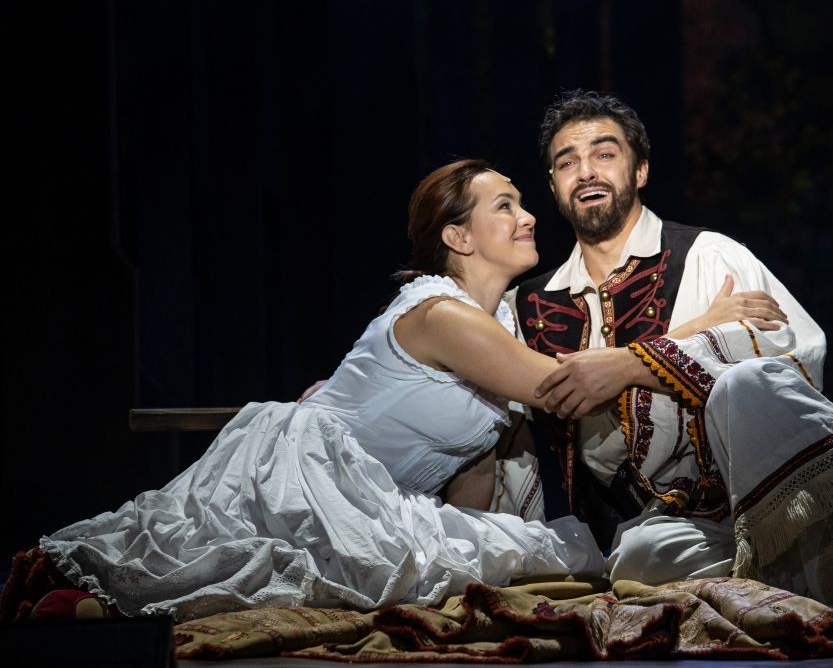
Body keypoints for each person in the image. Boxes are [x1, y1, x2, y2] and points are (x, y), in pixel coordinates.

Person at [509, 89, 833, 639]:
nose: (586, 171)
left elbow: (791, 355)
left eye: (605, 154)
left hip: (768, 488)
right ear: (554, 185)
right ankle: (822, 589)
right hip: (667, 531)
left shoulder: (708, 254)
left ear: (641, 170)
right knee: (642, 558)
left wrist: (632, 364)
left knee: (747, 381)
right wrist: (699, 332)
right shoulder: (531, 305)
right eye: (567, 162)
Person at [4, 160, 606, 622]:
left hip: (380, 500)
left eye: (521, 204)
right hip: (311, 478)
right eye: (505, 206)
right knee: (213, 566)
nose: (528, 217)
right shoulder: (443, 315)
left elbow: (473, 463)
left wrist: (466, 554)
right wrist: (652, 358)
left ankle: (106, 609)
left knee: (527, 552)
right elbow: (558, 386)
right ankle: (97, 608)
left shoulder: (499, 323)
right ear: (459, 237)